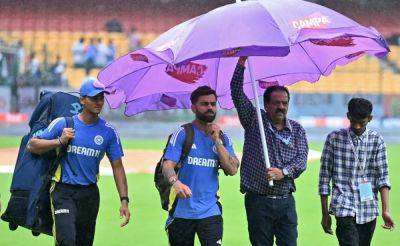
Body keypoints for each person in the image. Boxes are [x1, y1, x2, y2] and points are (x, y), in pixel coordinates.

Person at [27, 78, 131, 246]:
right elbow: (32, 145)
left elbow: (117, 167)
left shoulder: (109, 131)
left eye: (101, 98)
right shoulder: (63, 123)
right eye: (94, 98)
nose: (99, 102)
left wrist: (124, 200)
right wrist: (59, 141)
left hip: (89, 194)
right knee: (66, 240)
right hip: (63, 191)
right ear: (82, 100)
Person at [230, 56, 308, 246]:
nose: (281, 106)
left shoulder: (297, 129)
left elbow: (302, 159)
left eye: (284, 103)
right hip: (258, 202)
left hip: (286, 201)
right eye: (276, 103)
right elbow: (236, 92)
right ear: (266, 105)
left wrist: (283, 172)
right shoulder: (254, 119)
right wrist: (241, 62)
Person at [162, 86, 239, 246]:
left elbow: (232, 170)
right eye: (204, 104)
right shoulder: (183, 133)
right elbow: (167, 165)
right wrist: (176, 183)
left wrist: (216, 141)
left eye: (213, 103)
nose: (210, 107)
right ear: (193, 107)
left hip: (210, 212)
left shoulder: (223, 138)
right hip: (182, 212)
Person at [319, 98, 395, 246]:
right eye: (353, 121)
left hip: (369, 209)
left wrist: (386, 211)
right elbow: (324, 178)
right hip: (343, 207)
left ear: (370, 119)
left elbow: (383, 177)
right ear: (348, 116)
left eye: (362, 122)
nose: (357, 126)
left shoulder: (377, 141)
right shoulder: (333, 139)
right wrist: (324, 214)